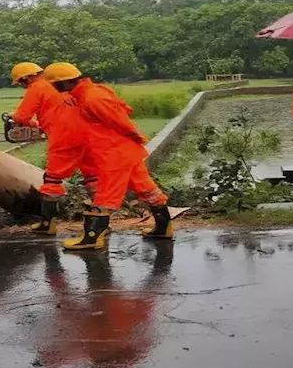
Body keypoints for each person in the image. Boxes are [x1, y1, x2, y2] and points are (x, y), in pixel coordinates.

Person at [43, 62, 172, 251]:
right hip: (123, 152)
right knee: (147, 189)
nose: (54, 89)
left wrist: (136, 136)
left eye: (55, 85)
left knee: (105, 196)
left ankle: (93, 237)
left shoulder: (92, 97)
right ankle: (163, 228)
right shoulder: (83, 95)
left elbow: (120, 119)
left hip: (114, 154)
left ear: (64, 83)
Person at [9, 62, 97, 235]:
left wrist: (18, 118)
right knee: (92, 177)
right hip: (86, 134)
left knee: (52, 180)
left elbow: (22, 116)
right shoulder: (60, 83)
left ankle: (48, 223)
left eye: (21, 82)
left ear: (27, 78)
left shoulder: (37, 87)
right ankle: (101, 222)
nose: (21, 86)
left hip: (63, 138)